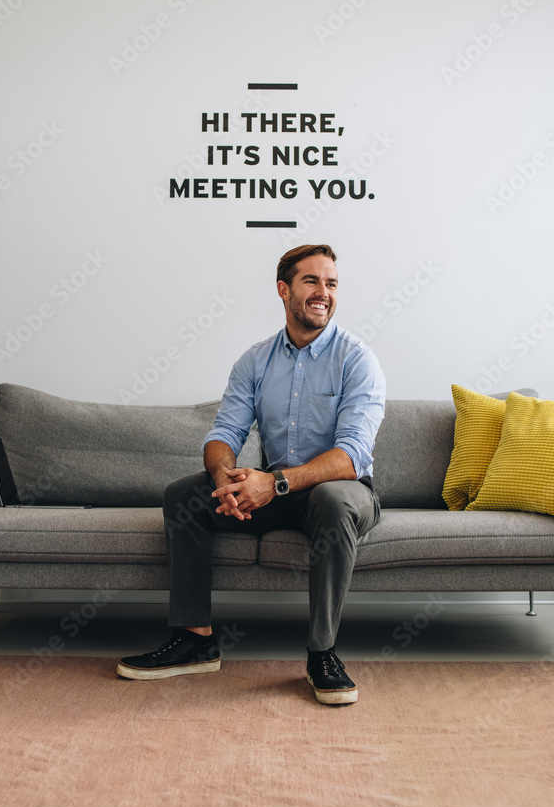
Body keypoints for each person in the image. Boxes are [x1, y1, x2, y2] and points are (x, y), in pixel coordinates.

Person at [117, 243, 386, 704]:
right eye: (311, 281)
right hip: (276, 490)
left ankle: (322, 653)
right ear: (283, 290)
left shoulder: (357, 360)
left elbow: (352, 455)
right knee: (185, 496)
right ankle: (195, 639)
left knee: (333, 499)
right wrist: (225, 480)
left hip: (343, 492)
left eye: (332, 283)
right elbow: (224, 433)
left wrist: (273, 482)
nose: (324, 292)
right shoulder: (256, 361)